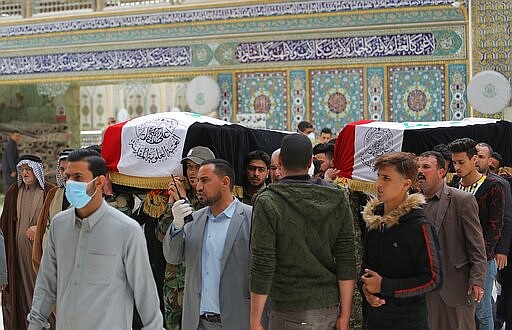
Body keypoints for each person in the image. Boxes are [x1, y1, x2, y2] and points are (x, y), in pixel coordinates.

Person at [27, 149, 163, 329]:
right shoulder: (59, 226)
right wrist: (35, 324)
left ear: (99, 182)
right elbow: (46, 283)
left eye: (78, 177)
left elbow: (145, 293)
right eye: (68, 177)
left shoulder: (127, 231)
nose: (70, 184)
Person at [250, 133, 356, 330]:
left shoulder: (268, 201)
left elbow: (263, 263)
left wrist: (255, 320)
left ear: (279, 162)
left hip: (288, 307)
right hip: (328, 307)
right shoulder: (337, 197)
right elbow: (346, 257)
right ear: (310, 162)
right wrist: (345, 315)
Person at [163, 159, 253, 330]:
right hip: (198, 322)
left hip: (237, 320)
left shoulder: (251, 218)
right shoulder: (194, 220)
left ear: (225, 182)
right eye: (197, 180)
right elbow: (172, 257)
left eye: (205, 180)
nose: (198, 187)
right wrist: (176, 226)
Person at [359, 152, 442, 330]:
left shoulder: (418, 225)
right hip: (375, 320)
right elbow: (365, 268)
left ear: (406, 184)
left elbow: (433, 279)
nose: (379, 184)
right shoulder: (374, 220)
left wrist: (385, 285)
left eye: (387, 178)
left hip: (408, 321)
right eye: (379, 176)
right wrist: (366, 289)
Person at [417, 151, 487, 329]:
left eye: (426, 167)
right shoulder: (413, 204)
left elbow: (477, 246)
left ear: (441, 172)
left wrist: (477, 279)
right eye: (418, 166)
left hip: (455, 287)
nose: (420, 171)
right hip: (422, 289)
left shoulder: (462, 200)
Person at [448, 138, 505, 330]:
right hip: (456, 258)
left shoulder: (493, 186)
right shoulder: (455, 184)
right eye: (454, 162)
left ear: (474, 160)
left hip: (482, 259)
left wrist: (481, 255)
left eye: (461, 162)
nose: (457, 167)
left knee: (482, 309)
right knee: (460, 307)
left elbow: (495, 227)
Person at [160, 145, 215, 328]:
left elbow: (198, 232)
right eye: (189, 167)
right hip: (174, 284)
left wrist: (183, 200)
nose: (192, 172)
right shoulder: (179, 194)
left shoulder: (212, 199)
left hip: (199, 285)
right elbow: (162, 235)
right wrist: (171, 203)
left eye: (197, 167)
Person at [0, 155, 55, 330]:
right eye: (22, 170)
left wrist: (38, 227)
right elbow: (5, 224)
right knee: (21, 294)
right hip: (17, 256)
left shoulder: (50, 191)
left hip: (41, 255)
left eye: (28, 169)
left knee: (43, 294)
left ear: (37, 170)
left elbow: (57, 220)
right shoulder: (13, 192)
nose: (24, 173)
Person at [32, 148, 74, 272]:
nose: (65, 173)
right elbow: (42, 227)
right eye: (61, 169)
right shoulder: (53, 194)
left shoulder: (89, 194)